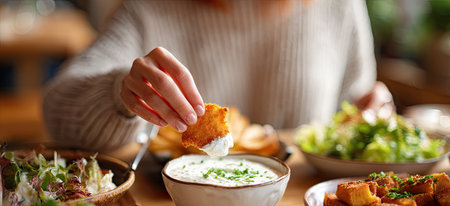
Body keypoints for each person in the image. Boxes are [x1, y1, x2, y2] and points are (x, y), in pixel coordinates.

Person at [43, 0, 393, 152]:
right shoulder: (147, 10)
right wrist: (118, 92)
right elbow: (58, 107)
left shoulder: (340, 7)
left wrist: (372, 114)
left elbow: (355, 103)